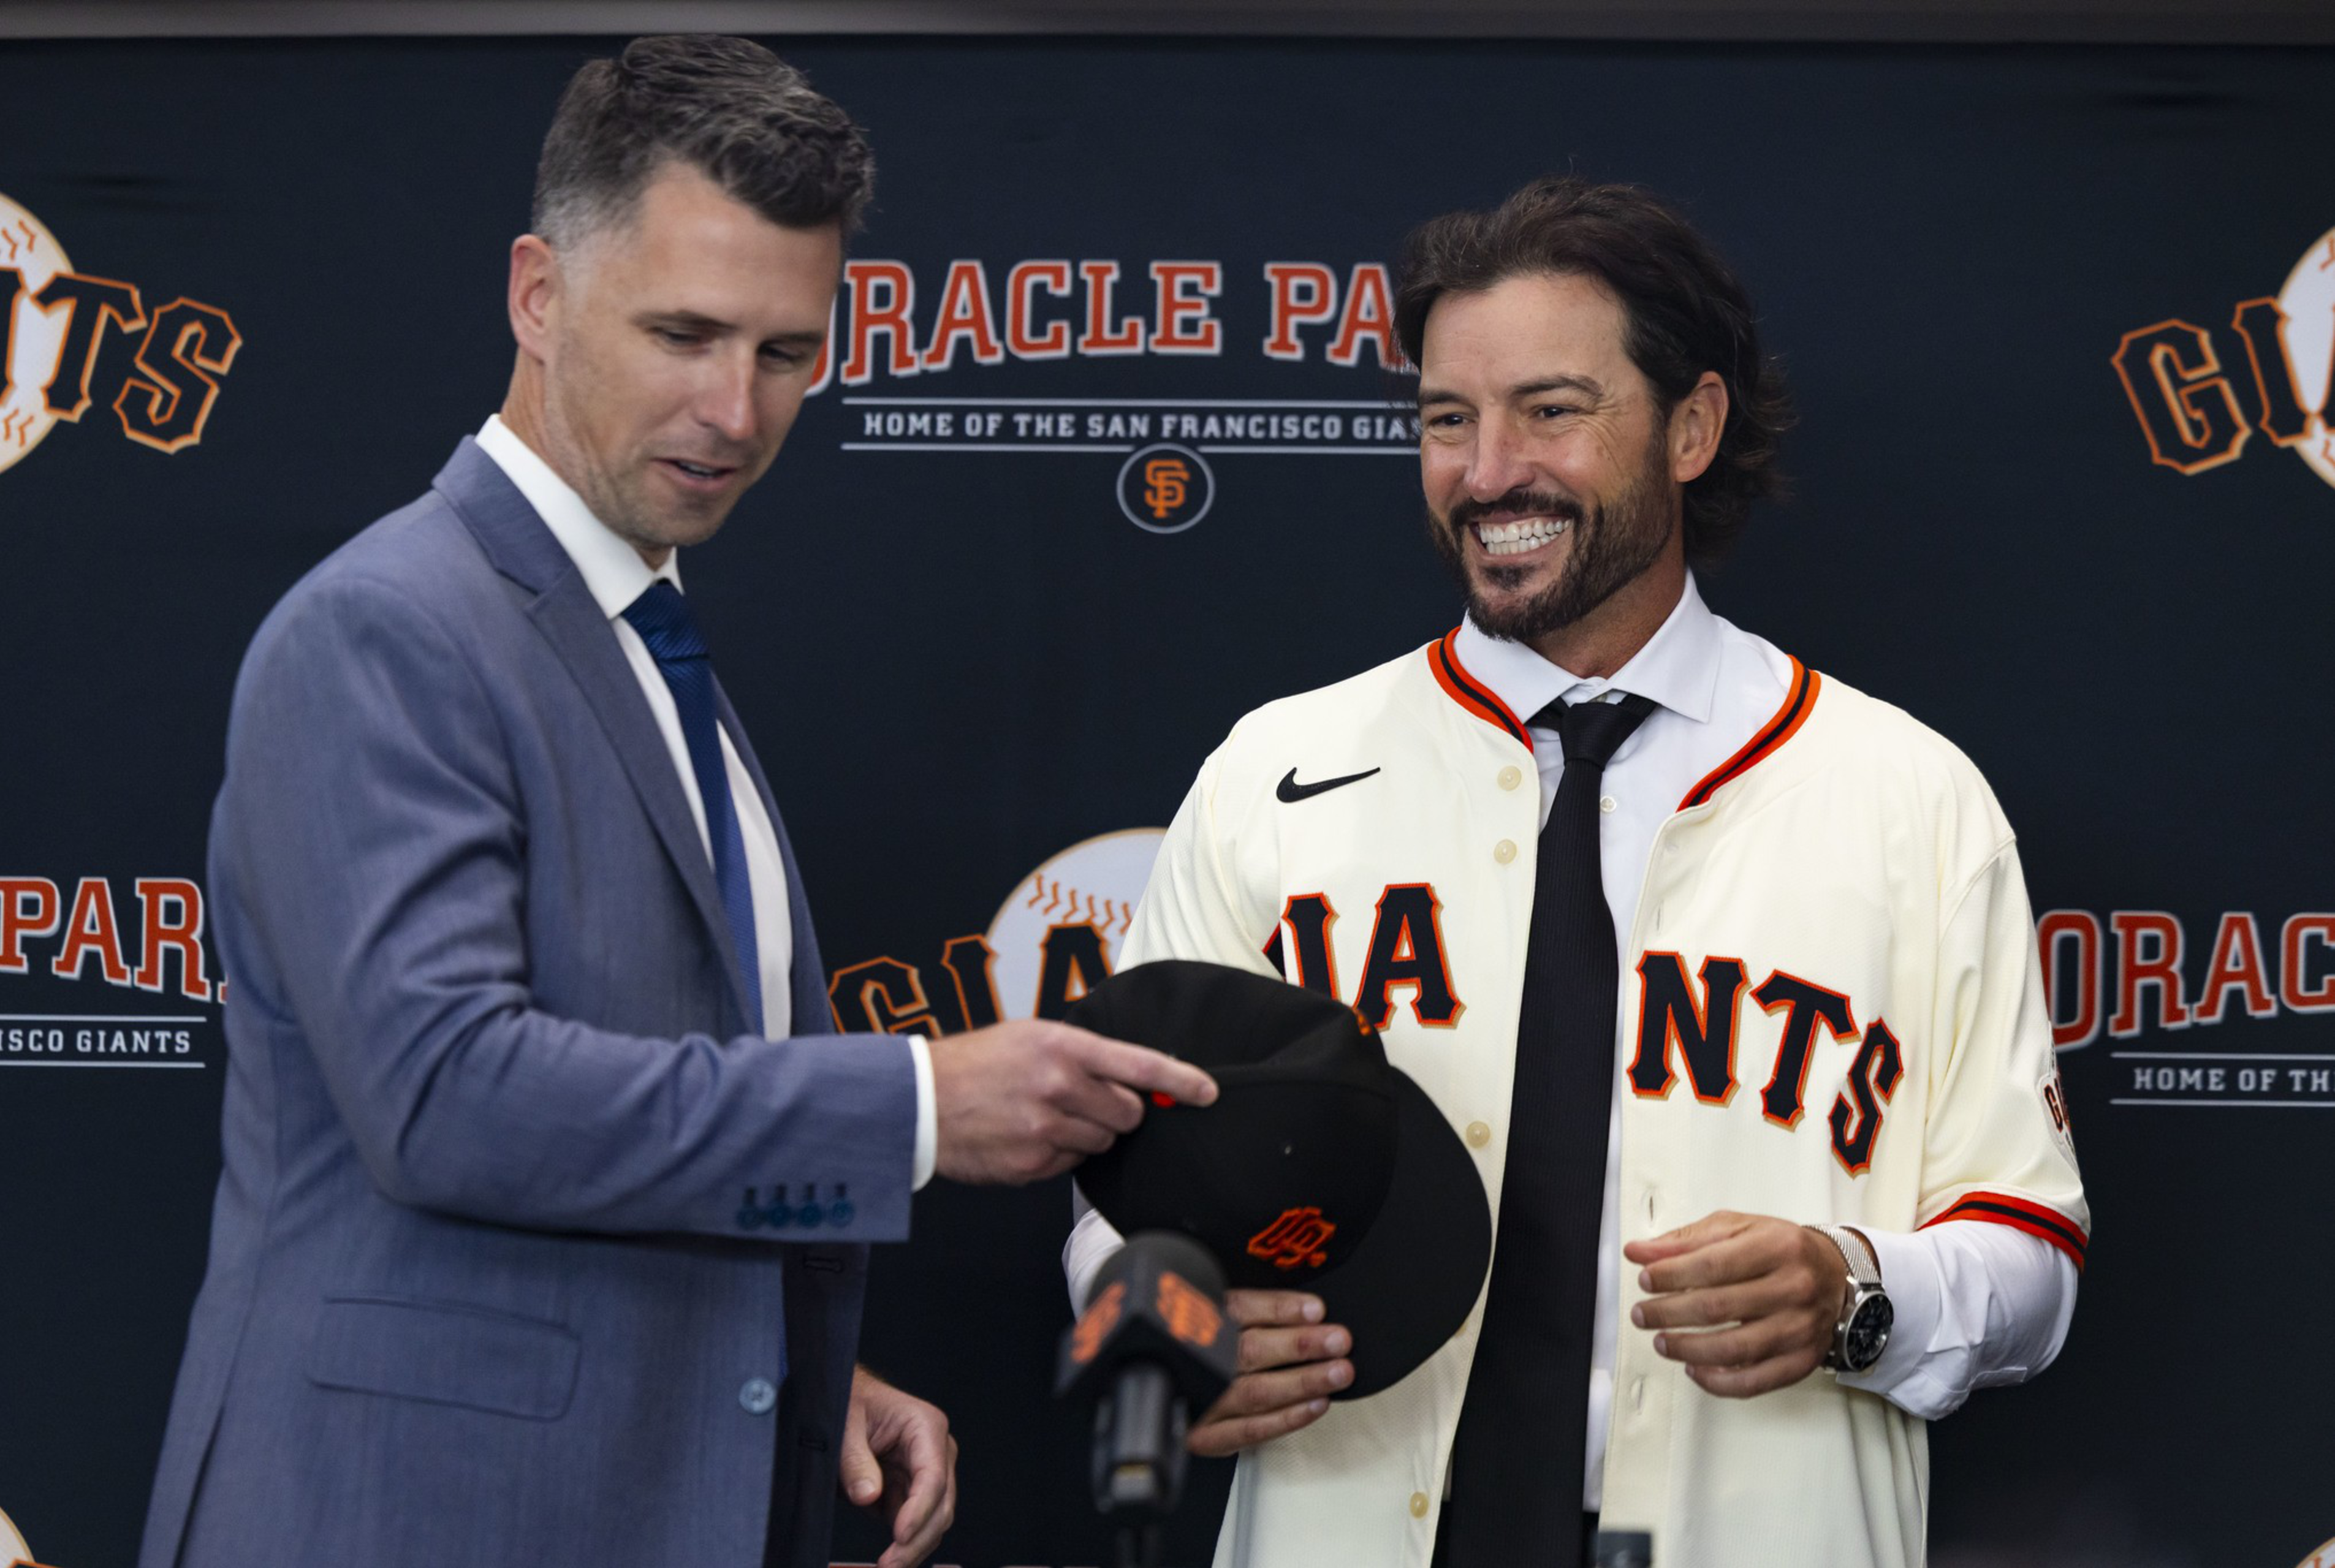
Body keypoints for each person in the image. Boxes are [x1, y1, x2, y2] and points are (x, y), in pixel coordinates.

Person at [138, 36, 1214, 1568]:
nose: (734, 408)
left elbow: (644, 1120)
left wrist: (789, 1375)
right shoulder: (386, 627)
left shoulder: (641, 638)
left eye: (785, 352)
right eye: (685, 334)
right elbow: (448, 1101)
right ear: (536, 294)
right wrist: (921, 1104)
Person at [1064, 176, 2088, 1568]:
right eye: (1445, 419)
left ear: (1691, 427)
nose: (1488, 473)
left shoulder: (1907, 794)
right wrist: (1176, 1322)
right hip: (1354, 1513)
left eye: (1551, 409)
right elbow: (1125, 1189)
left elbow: (2030, 1249)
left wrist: (1857, 1288)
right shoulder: (1277, 770)